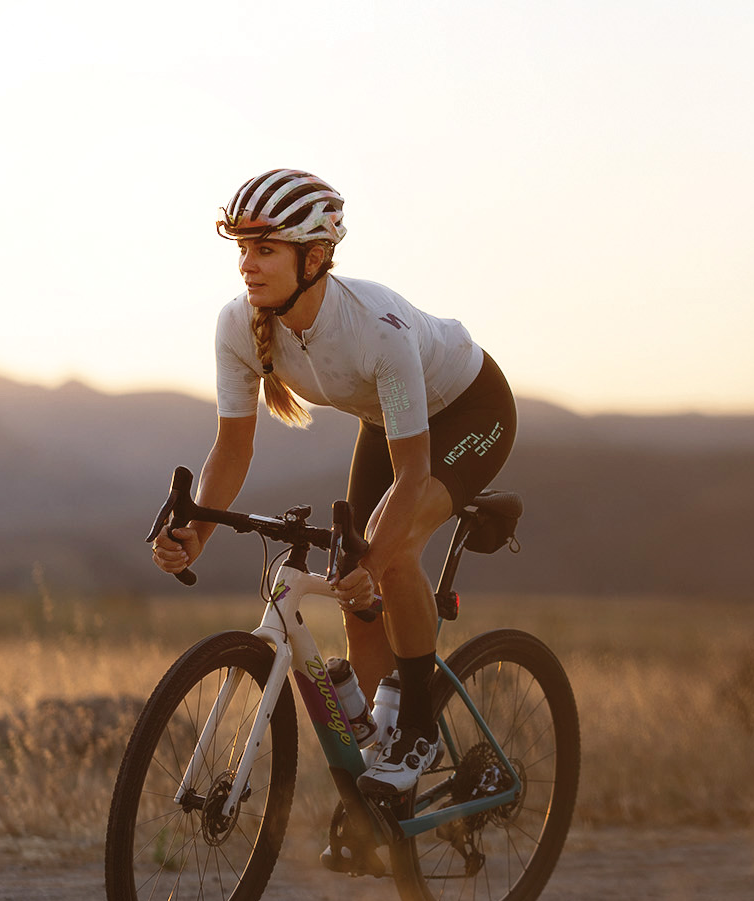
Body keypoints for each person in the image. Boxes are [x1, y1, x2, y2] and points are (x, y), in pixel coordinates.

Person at [151, 168, 517, 797]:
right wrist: (198, 533)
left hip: (470, 412)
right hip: (387, 419)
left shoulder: (376, 329)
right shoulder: (237, 326)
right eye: (243, 248)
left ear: (315, 257)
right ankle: (383, 765)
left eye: (265, 249)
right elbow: (232, 449)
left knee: (389, 554)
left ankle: (418, 729)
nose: (247, 265)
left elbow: (413, 475)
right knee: (353, 575)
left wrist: (374, 562)